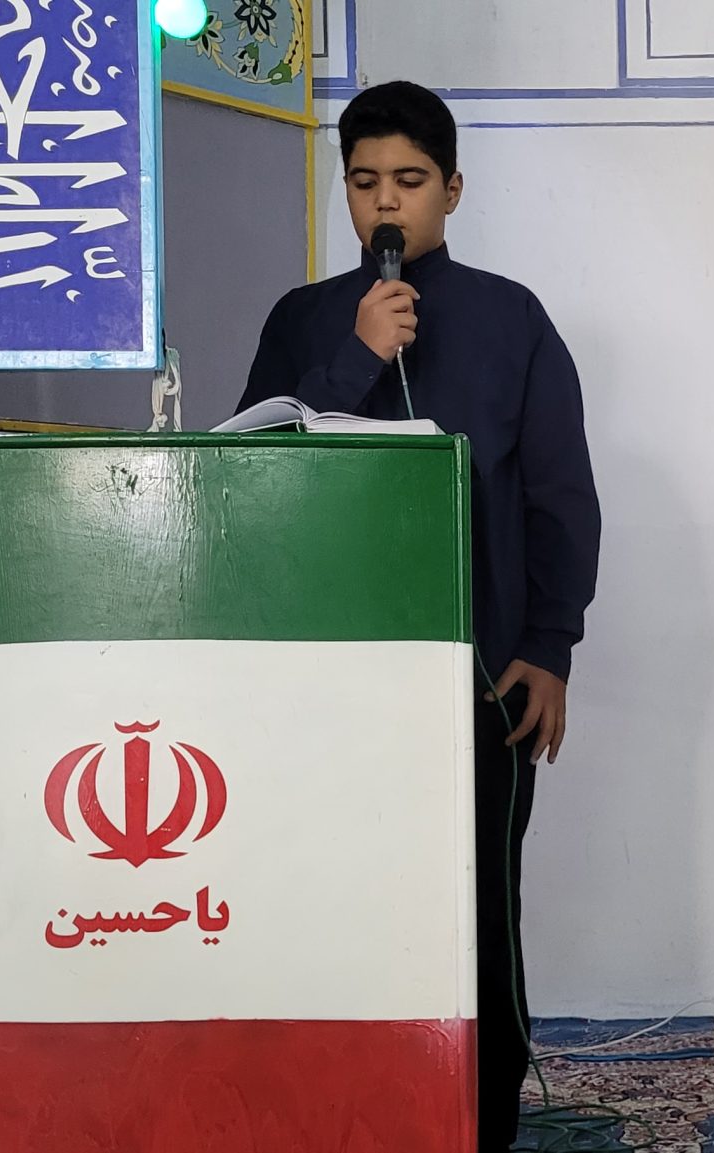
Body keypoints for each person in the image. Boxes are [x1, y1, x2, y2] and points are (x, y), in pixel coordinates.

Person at [240, 80, 601, 1151]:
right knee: (335, 901)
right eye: (364, 182)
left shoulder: (511, 318)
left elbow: (559, 494)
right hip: (326, 683)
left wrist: (550, 646)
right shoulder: (303, 319)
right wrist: (356, 358)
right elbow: (253, 478)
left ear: (452, 189)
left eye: (408, 180)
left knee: (478, 911)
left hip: (481, 682)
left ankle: (482, 1120)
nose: (385, 204)